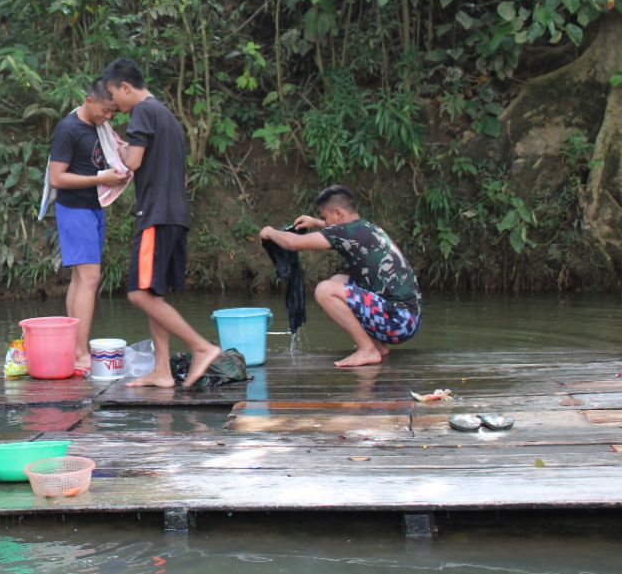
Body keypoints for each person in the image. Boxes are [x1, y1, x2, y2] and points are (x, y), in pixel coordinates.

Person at [102, 58, 223, 388]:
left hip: (156, 214)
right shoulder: (167, 116)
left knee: (139, 294)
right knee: (155, 294)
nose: (115, 104)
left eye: (115, 94)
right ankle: (162, 371)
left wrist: (121, 152)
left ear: (126, 87)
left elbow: (134, 162)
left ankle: (202, 347)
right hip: (175, 213)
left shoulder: (142, 111)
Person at [258, 184, 421, 368]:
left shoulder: (344, 232)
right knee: (337, 281)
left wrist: (270, 232)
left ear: (338, 214)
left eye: (325, 218)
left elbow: (293, 243)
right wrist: (316, 223)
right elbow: (338, 231)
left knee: (325, 290)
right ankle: (377, 345)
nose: (325, 223)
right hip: (407, 318)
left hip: (397, 323)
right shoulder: (367, 228)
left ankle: (367, 349)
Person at [47, 79, 130, 373]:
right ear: (89, 100)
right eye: (105, 111)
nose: (107, 117)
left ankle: (74, 350)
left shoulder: (100, 128)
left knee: (81, 280)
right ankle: (81, 353)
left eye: (112, 113)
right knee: (90, 279)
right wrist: (100, 178)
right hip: (74, 209)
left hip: (92, 207)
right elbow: (56, 178)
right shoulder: (68, 129)